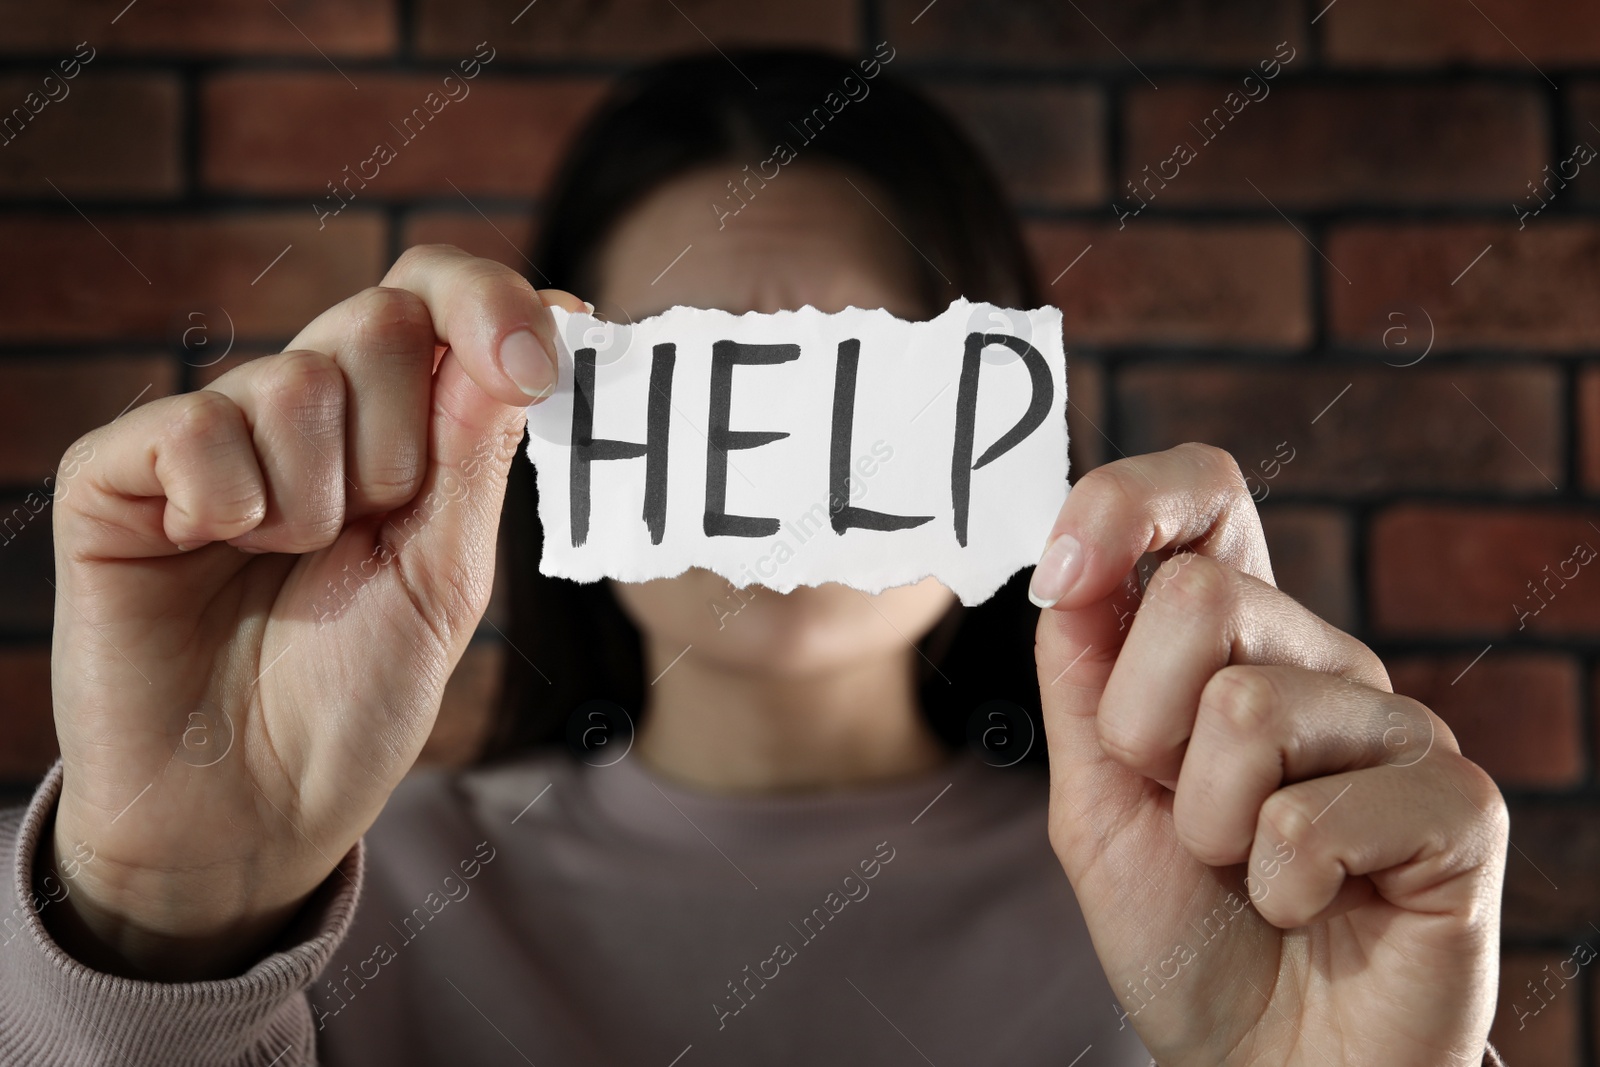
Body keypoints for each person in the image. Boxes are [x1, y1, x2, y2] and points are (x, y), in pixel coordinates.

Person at [0, 50, 1508, 1066]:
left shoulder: (1240, 908)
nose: (776, 478)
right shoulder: (322, 906)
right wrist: (157, 933)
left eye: (849, 374)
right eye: (697, 372)